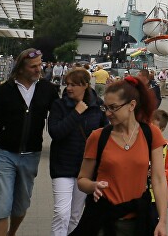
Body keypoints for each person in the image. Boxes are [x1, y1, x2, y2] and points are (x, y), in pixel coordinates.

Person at [0, 47, 59, 236]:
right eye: (33, 67)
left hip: (31, 155)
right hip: (5, 154)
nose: (39, 70)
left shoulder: (48, 90)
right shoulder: (5, 90)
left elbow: (61, 116)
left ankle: (11, 232)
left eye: (40, 65)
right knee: (1, 205)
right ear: (20, 68)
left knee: (21, 205)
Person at [75, 75, 168, 236]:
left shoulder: (150, 133)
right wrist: (93, 186)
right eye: (105, 108)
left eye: (113, 107)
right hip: (104, 222)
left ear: (132, 105)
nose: (108, 113)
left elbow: (159, 179)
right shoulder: (98, 137)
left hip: (139, 222)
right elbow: (82, 180)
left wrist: (162, 222)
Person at [48, 67, 109, 236]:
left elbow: (105, 134)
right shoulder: (59, 105)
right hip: (62, 166)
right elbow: (55, 132)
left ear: (86, 86)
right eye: (67, 84)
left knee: (75, 216)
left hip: (86, 169)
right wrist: (76, 113)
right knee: (61, 212)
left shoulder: (98, 107)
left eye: (74, 85)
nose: (68, 88)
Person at [151, 110, 168, 210]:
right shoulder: (140, 143)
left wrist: (162, 173)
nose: (151, 130)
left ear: (162, 129)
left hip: (157, 196)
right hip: (139, 194)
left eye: (154, 127)